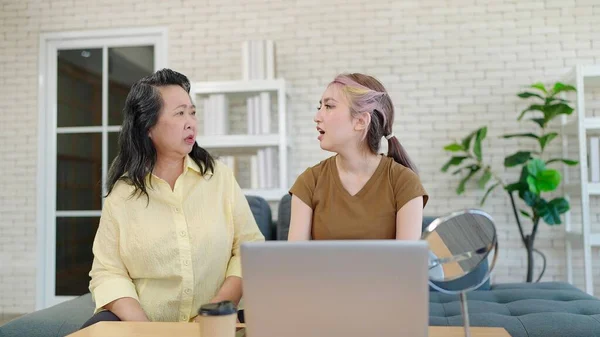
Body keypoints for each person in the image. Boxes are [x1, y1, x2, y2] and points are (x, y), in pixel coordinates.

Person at [81, 69, 264, 328]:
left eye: (192, 112)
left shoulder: (219, 177)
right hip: (146, 321)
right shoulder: (123, 195)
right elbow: (107, 271)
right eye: (179, 113)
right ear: (147, 126)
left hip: (219, 318)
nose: (191, 122)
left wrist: (217, 308)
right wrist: (146, 329)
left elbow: (249, 250)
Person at [287, 73, 428, 241]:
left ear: (360, 121)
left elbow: (407, 263)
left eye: (329, 106)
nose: (317, 117)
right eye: (320, 107)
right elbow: (296, 262)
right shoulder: (309, 182)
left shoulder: (404, 183)